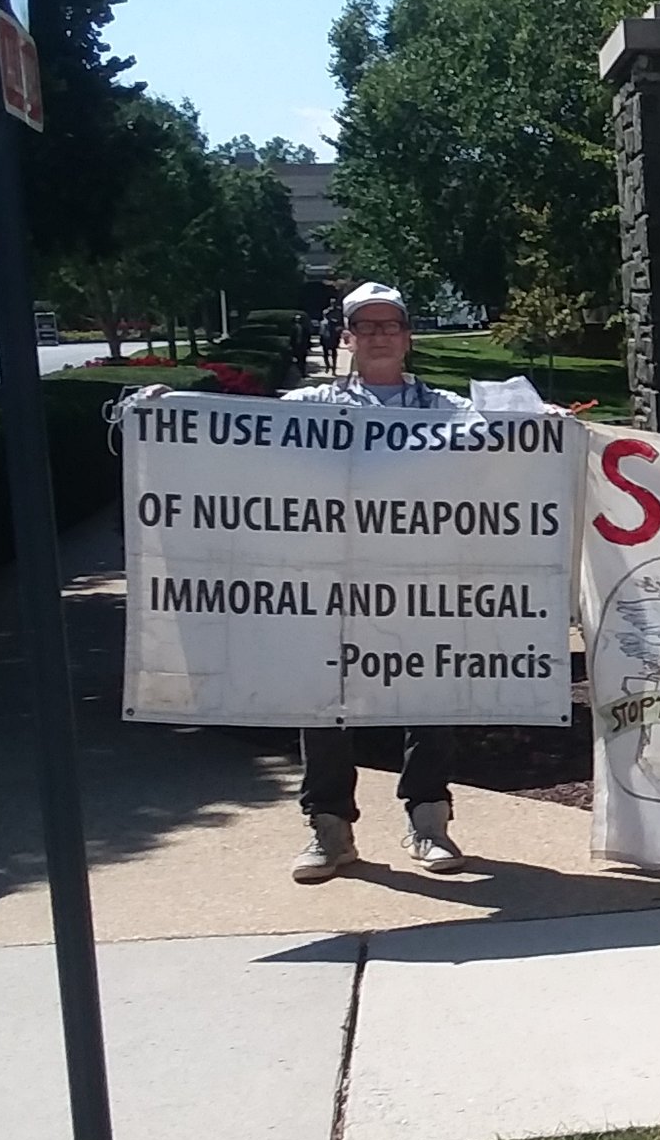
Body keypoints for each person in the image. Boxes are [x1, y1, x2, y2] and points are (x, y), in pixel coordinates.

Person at [133, 280, 476, 882]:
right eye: (364, 327)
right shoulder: (310, 408)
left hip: (421, 583)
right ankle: (330, 830)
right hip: (332, 584)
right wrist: (173, 407)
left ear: (407, 336)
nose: (378, 336)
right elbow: (236, 429)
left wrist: (546, 423)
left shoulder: (448, 409)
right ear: (347, 338)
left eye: (389, 325)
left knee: (432, 695)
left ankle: (429, 823)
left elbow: (515, 443)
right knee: (322, 698)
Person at [317, 306, 341, 374]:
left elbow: (337, 332)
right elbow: (321, 332)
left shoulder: (333, 322)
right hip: (326, 340)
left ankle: (332, 369)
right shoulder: (322, 323)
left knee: (333, 355)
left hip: (331, 340)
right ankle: (328, 367)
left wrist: (337, 340)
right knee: (327, 355)